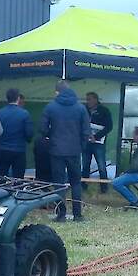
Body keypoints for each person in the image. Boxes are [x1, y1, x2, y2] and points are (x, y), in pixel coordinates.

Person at [41, 80, 91, 222]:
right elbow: (86, 131)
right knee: (76, 182)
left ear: (57, 92)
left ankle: (61, 215)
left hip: (56, 150)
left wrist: (51, 136)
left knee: (59, 183)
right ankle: (78, 215)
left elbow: (43, 129)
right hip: (75, 150)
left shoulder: (50, 107)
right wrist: (81, 146)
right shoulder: (80, 108)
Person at [0, 88, 33, 178]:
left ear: (6, 98)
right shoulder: (25, 114)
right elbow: (29, 135)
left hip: (3, 150)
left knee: (1, 179)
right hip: (19, 151)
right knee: (19, 180)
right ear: (18, 98)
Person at [82, 92, 113, 193]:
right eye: (87, 100)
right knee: (85, 164)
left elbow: (109, 127)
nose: (88, 102)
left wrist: (97, 136)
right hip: (86, 141)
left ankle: (104, 187)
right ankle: (83, 186)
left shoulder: (104, 110)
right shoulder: (84, 109)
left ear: (95, 99)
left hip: (98, 143)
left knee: (101, 165)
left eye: (89, 99)